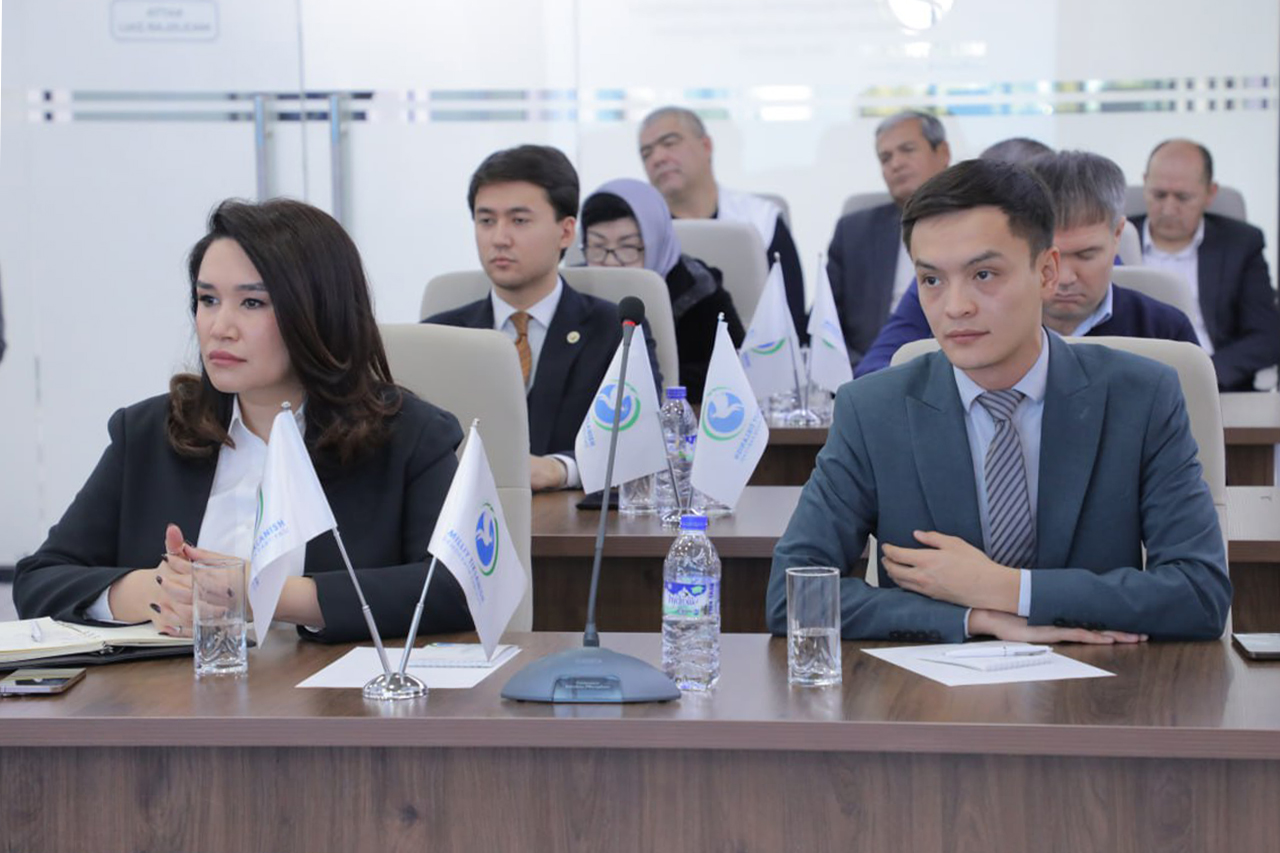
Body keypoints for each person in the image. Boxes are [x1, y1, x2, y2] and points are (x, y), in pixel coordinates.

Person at [767, 159, 1230, 643]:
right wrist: (974, 617)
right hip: (927, 686)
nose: (956, 307)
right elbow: (790, 596)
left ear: (1046, 273)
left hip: (1102, 679)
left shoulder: (1142, 396)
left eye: (984, 274)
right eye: (931, 280)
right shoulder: (872, 410)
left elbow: (1199, 594)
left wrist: (1006, 588)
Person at [15, 199, 471, 643]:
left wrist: (263, 595)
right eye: (208, 299)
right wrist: (153, 592)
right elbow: (40, 578)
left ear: (319, 312)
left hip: (334, 691)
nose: (220, 327)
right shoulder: (148, 433)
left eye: (252, 303)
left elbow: (456, 589)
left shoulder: (409, 436)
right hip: (174, 691)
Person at [424, 145, 662, 491]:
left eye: (519, 221)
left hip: (573, 518)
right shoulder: (439, 335)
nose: (499, 239)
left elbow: (640, 444)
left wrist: (560, 469)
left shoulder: (616, 330)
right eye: (486, 221)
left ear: (566, 232)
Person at [854, 151, 1199, 377]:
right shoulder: (962, 306)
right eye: (1051, 258)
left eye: (1085, 255)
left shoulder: (1164, 330)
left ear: (1117, 235)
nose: (1063, 277)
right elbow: (877, 376)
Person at [638, 106, 806, 337]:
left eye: (669, 143)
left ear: (706, 146)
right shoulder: (641, 232)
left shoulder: (760, 219)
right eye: (646, 153)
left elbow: (791, 317)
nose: (657, 158)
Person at [579, 178, 745, 404]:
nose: (610, 261)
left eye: (627, 246)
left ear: (654, 242)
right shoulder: (575, 287)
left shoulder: (698, 288)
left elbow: (733, 367)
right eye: (598, 247)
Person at [1133, 139, 1280, 391]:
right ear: (1145, 183)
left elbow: (1267, 336)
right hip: (1134, 382)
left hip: (1215, 384)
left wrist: (1203, 374)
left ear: (1210, 193)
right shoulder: (1113, 239)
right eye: (1159, 195)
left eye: (1183, 197)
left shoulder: (1241, 243)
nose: (1169, 208)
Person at [826, 110, 952, 369]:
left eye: (907, 150)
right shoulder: (853, 232)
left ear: (942, 152)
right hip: (869, 371)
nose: (896, 164)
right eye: (886, 158)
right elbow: (824, 324)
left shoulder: (977, 228)